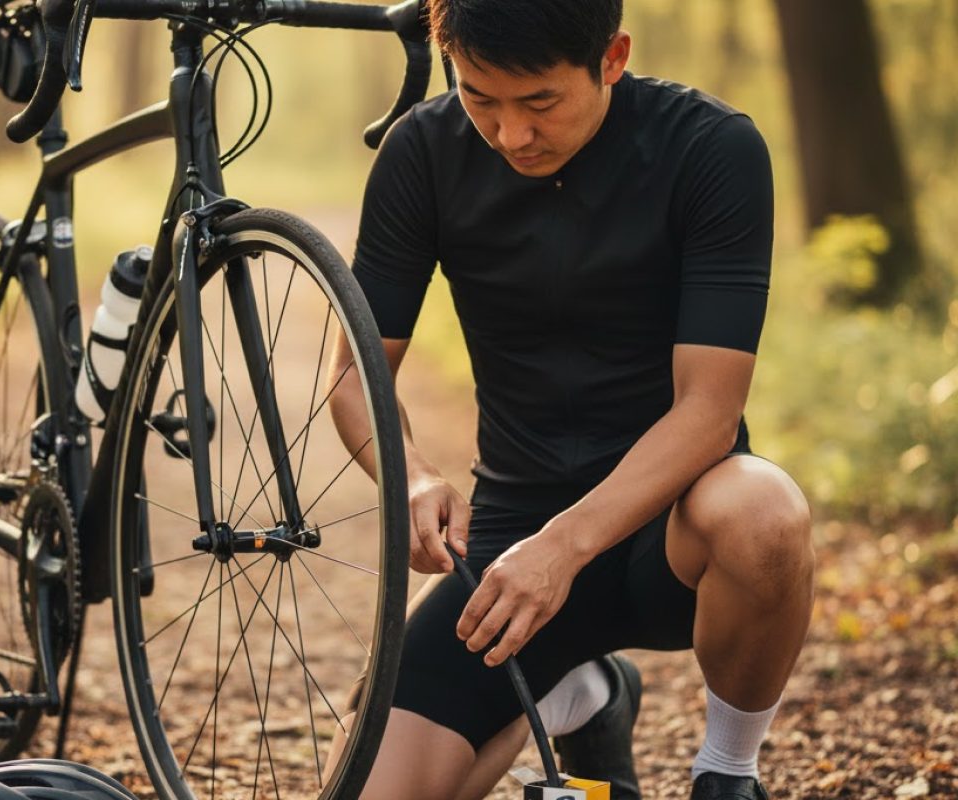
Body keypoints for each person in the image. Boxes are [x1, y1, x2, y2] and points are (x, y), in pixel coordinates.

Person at [325, 1, 815, 798]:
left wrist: (565, 547)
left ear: (612, 58)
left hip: (677, 528)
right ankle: (581, 693)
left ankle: (728, 771)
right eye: (480, 97)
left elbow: (709, 412)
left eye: (540, 102)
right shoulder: (423, 151)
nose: (510, 134)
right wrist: (410, 477)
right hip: (511, 539)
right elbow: (355, 376)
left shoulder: (711, 147)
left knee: (765, 510)